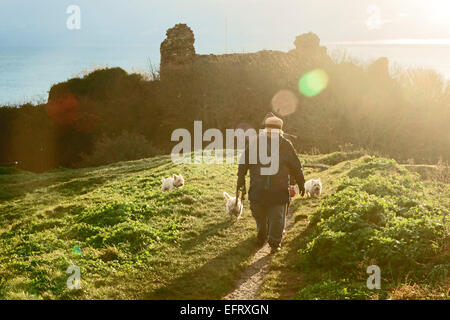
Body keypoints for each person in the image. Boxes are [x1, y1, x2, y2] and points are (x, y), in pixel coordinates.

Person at [236, 113, 305, 254]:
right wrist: (240, 179)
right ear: (265, 131)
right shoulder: (255, 143)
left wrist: (301, 182)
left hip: (278, 189)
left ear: (280, 132)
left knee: (278, 217)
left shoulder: (286, 145)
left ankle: (274, 242)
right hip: (258, 188)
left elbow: (296, 165)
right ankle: (262, 236)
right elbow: (244, 162)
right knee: (259, 216)